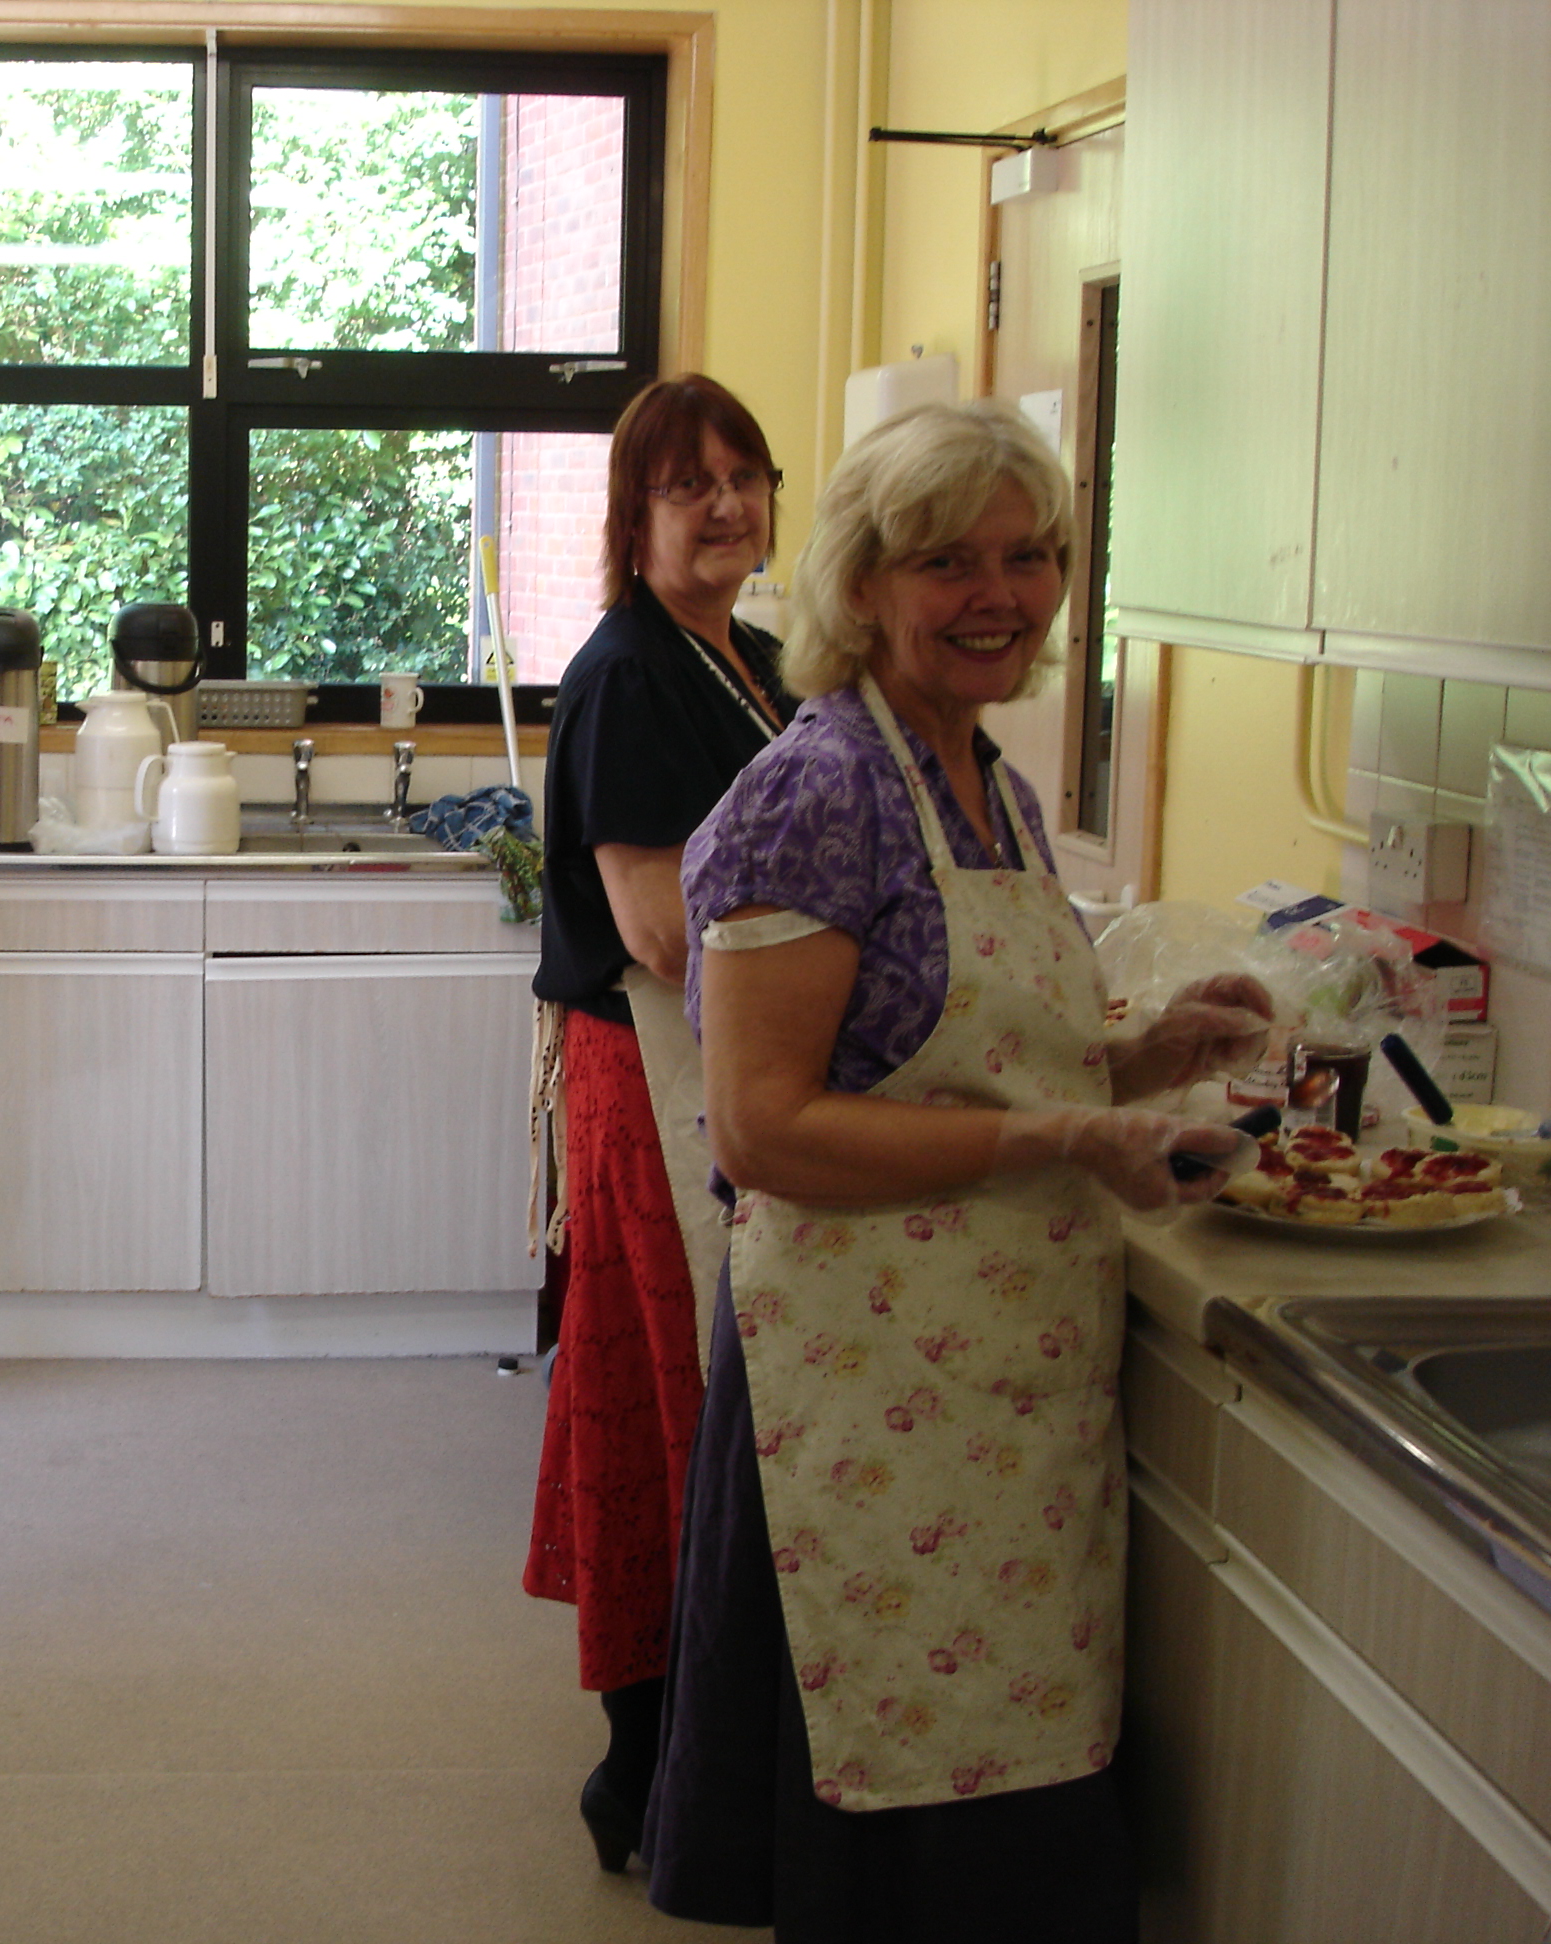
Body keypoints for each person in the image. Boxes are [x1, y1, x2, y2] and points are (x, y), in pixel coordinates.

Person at [639, 400, 1272, 1939]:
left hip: (995, 1394)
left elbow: (950, 1059)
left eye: (1032, 554)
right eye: (949, 562)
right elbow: (767, 1128)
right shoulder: (824, 792)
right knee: (900, 1838)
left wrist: (1140, 1062)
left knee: (999, 1807)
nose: (1002, 593)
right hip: (859, 1402)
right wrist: (1072, 1135)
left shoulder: (986, 783)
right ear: (864, 584)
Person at [525, 374, 794, 1871]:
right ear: (634, 516)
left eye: (745, 476)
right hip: (653, 1061)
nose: (725, 506)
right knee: (663, 1386)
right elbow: (657, 927)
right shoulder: (630, 668)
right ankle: (648, 1758)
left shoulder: (752, 658)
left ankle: (693, 1738)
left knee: (699, 1392)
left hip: (727, 1055)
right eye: (688, 484)